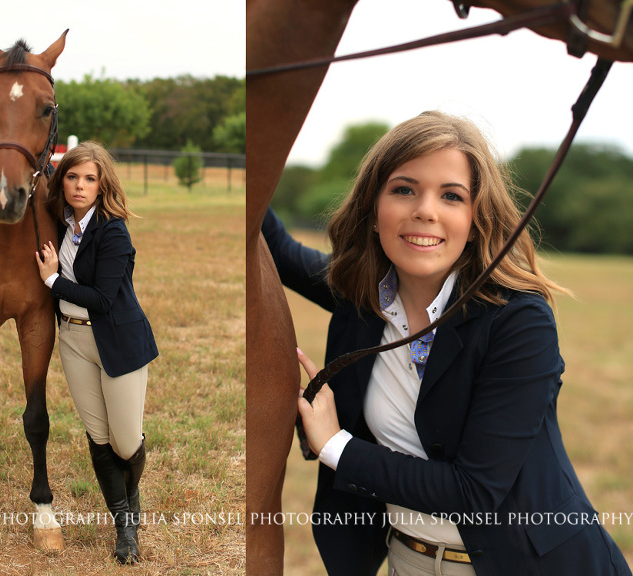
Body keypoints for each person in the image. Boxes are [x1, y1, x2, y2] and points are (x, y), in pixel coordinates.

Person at [262, 111, 631, 576]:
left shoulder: (519, 320)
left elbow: (473, 490)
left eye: (451, 195)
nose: (425, 210)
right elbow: (270, 236)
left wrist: (336, 445)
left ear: (475, 220)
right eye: (403, 189)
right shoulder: (358, 296)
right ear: (373, 211)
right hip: (407, 560)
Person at [36, 141, 158, 564]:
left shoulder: (113, 230)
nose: (79, 186)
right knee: (99, 438)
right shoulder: (57, 221)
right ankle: (125, 526)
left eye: (89, 178)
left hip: (117, 340)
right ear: (61, 180)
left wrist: (52, 282)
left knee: (125, 443)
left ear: (102, 184)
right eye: (72, 177)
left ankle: (132, 490)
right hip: (72, 340)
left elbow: (104, 298)